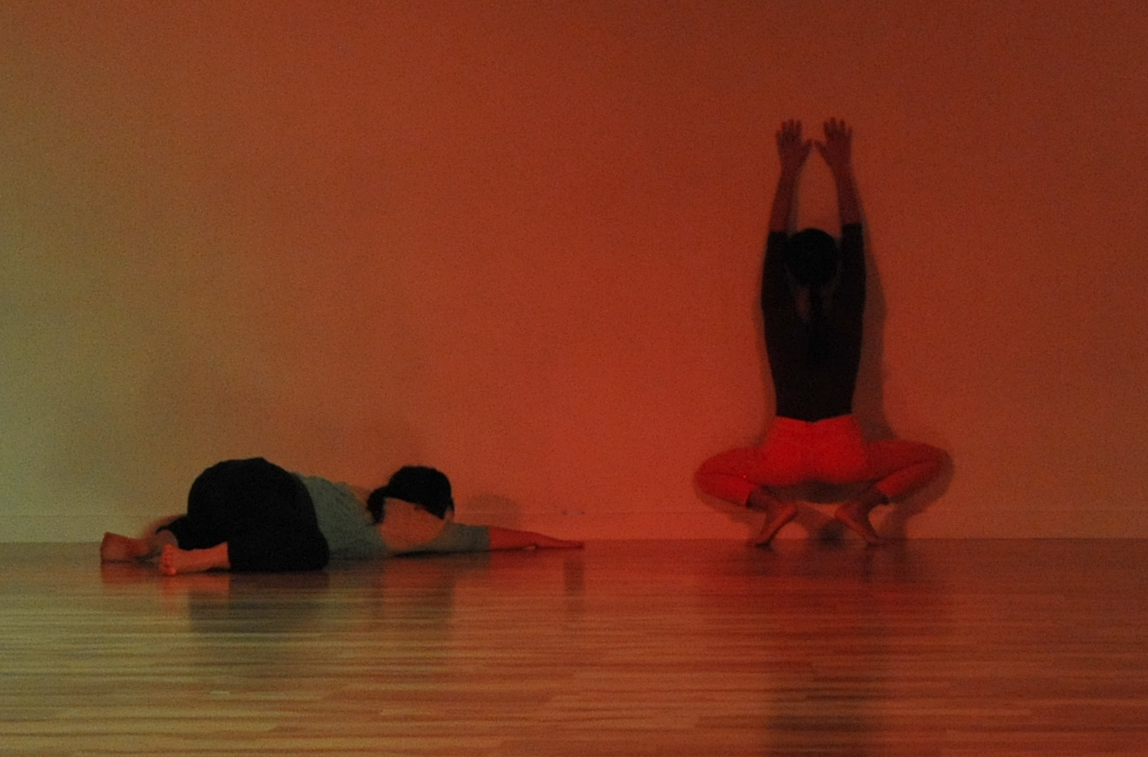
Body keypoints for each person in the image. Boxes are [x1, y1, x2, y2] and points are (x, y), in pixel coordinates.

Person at [696, 118, 946, 545]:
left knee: (708, 473)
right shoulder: (849, 308)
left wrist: (788, 171)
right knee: (932, 459)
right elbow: (855, 239)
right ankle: (860, 507)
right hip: (844, 452)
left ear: (789, 271)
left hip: (783, 454)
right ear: (835, 270)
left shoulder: (777, 311)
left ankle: (773, 508)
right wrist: (842, 169)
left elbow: (774, 239)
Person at [101, 458, 581, 574]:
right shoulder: (415, 521)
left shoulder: (362, 496)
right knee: (311, 548)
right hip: (273, 491)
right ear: (431, 506)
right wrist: (546, 539)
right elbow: (482, 538)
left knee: (213, 523)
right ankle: (202, 560)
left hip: (218, 481)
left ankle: (144, 545)